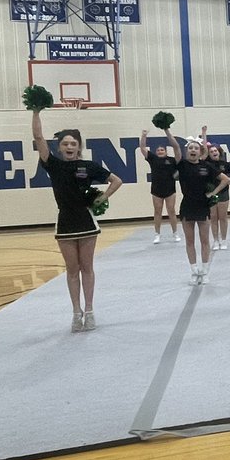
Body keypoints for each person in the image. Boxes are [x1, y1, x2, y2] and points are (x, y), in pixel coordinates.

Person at [33, 111, 122, 331]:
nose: (69, 146)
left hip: (86, 220)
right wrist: (35, 111)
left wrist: (103, 197)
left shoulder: (89, 166)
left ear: (79, 147)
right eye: (65, 143)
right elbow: (38, 138)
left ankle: (90, 310)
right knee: (72, 270)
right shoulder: (53, 164)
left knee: (87, 267)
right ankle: (76, 312)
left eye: (73, 143)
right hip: (65, 221)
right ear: (60, 147)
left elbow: (116, 180)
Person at [166, 129, 230, 284]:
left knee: (204, 241)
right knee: (189, 241)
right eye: (190, 148)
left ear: (200, 151)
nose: (193, 150)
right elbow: (175, 146)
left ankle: (205, 270)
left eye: (196, 148)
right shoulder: (181, 165)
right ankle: (194, 271)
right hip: (187, 206)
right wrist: (166, 129)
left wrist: (213, 193)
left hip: (203, 207)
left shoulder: (206, 166)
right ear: (187, 151)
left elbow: (225, 179)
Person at [138, 131, 179, 244]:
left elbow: (177, 151)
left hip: (170, 189)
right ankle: (157, 234)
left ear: (166, 151)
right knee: (157, 211)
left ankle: (175, 233)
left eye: (162, 150)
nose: (160, 151)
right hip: (156, 190)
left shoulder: (171, 160)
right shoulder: (153, 159)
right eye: (158, 150)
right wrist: (144, 136)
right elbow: (142, 148)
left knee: (171, 211)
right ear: (156, 152)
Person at [202, 136, 230, 251]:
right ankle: (215, 240)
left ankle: (223, 240)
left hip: (223, 193)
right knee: (213, 217)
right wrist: (204, 134)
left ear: (219, 152)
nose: (214, 152)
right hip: (210, 193)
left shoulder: (225, 164)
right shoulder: (206, 163)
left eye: (215, 151)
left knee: (223, 217)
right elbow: (203, 149)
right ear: (209, 153)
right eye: (211, 151)